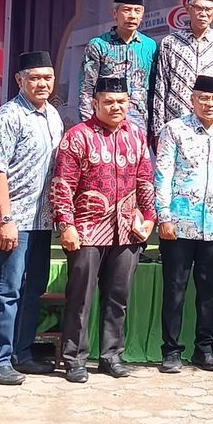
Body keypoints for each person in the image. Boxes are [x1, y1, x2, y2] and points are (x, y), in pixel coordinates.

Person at [49, 77, 156, 383]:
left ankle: (111, 356)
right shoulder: (77, 137)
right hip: (86, 229)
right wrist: (66, 224)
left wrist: (149, 217)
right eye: (108, 102)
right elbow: (62, 185)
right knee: (80, 297)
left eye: (121, 102)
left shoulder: (136, 135)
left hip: (127, 229)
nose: (115, 107)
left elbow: (145, 180)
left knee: (118, 296)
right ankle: (74, 358)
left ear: (129, 103)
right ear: (94, 103)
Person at [0, 51, 64, 384]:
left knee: (33, 289)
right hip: (16, 220)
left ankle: (22, 353)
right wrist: (6, 219)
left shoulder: (53, 116)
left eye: (48, 78)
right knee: (7, 290)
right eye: (35, 78)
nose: (43, 84)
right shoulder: (7, 117)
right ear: (19, 79)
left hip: (43, 221)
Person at [154, 74, 213, 374]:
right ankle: (171, 351)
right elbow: (162, 175)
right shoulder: (174, 130)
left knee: (209, 291)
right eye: (203, 98)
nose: (209, 104)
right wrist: (163, 216)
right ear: (192, 100)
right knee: (175, 289)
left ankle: (205, 349)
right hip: (178, 225)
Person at [151, 0, 213, 133]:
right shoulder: (170, 42)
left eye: (208, 9)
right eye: (198, 8)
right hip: (176, 120)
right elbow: (161, 85)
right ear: (188, 9)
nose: (203, 13)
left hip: (211, 124)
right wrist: (158, 129)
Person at [78, 0, 156, 128]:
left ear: (142, 15)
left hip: (138, 125)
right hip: (103, 123)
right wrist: (88, 126)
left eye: (137, 11)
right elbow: (86, 89)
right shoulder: (98, 45)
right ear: (115, 13)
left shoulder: (150, 46)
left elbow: (153, 89)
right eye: (127, 10)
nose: (132, 15)